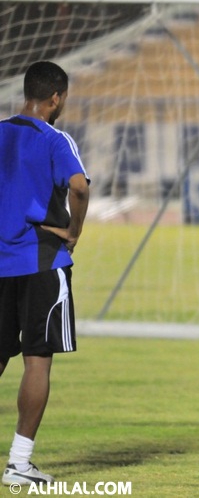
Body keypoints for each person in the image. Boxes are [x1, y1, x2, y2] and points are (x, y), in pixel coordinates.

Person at [0, 61, 90, 485]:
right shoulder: (55, 139)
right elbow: (79, 186)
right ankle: (18, 464)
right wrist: (73, 230)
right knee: (37, 361)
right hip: (39, 263)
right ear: (56, 98)